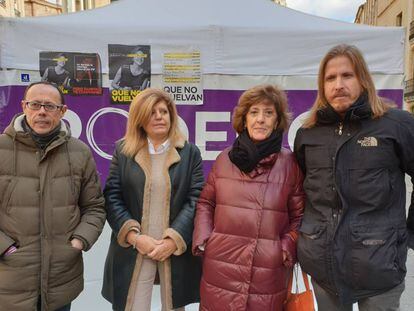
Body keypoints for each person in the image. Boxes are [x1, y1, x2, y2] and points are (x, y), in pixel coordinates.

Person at [294, 44, 414, 310]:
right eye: (330, 78)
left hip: (379, 266)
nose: (338, 84)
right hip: (323, 267)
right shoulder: (307, 133)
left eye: (347, 75)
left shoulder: (396, 124)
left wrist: (409, 233)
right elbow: (302, 191)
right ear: (322, 85)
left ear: (362, 79)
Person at [192, 84, 305, 311]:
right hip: (220, 269)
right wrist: (205, 238)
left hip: (267, 274)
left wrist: (284, 247)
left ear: (277, 121)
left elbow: (300, 217)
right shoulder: (225, 159)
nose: (260, 119)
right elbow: (206, 202)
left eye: (268, 113)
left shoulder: (290, 164)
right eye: (254, 112)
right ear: (244, 120)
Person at [0, 81, 106, 311]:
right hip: (9, 279)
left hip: (61, 278)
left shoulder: (79, 152)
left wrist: (78, 241)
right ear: (23, 106)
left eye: (50, 106)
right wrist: (5, 247)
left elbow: (95, 207)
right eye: (35, 104)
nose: (41, 112)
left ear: (63, 111)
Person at [102, 88, 203, 311]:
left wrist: (173, 240)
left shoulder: (190, 153)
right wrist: (135, 237)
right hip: (135, 248)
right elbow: (112, 196)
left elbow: (196, 199)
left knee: (174, 306)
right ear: (140, 119)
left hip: (174, 251)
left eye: (164, 111)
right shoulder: (123, 150)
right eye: (152, 112)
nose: (159, 116)